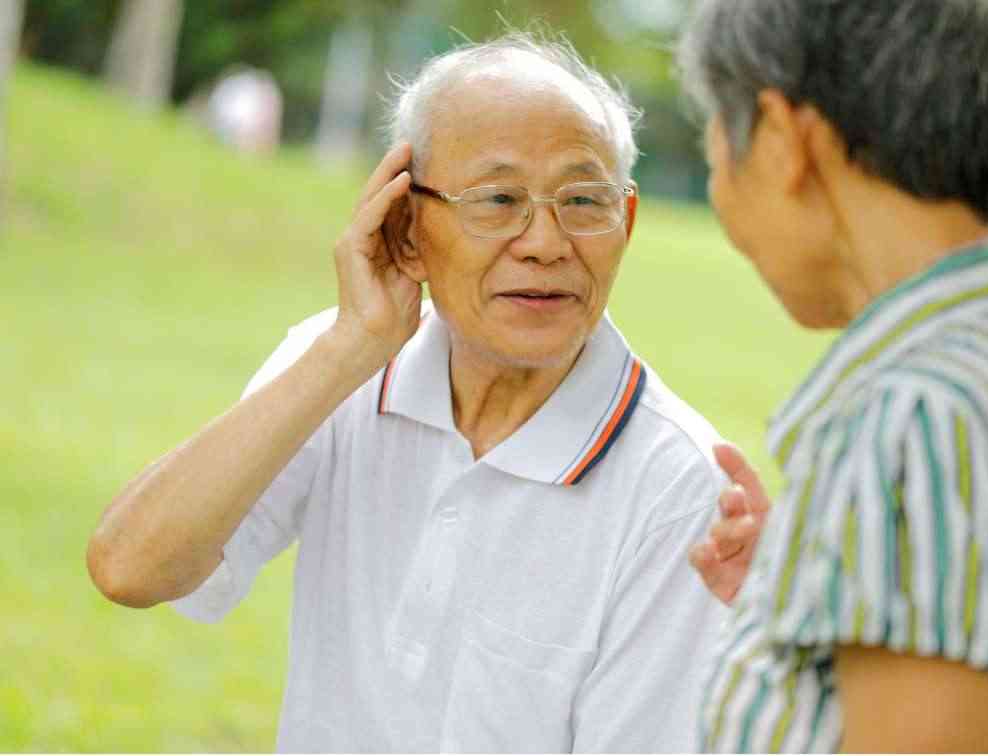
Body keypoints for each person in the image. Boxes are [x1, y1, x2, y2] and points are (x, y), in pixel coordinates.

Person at [87, 33, 756, 753]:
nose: (545, 243)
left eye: (584, 201)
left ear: (625, 223)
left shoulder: (680, 488)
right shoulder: (340, 370)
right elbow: (130, 568)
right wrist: (349, 348)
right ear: (405, 228)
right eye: (498, 199)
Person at [680, 0, 988, 752]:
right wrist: (825, 578)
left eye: (717, 152)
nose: (721, 194)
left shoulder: (913, 422)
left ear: (782, 139)